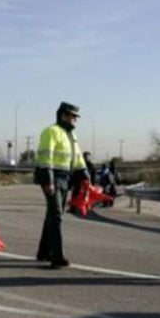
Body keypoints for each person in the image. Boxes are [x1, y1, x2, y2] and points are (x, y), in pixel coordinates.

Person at [34, 101, 89, 268]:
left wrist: (85, 175)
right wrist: (48, 180)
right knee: (56, 216)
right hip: (52, 178)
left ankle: (43, 252)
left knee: (53, 215)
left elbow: (78, 158)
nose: (75, 120)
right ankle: (56, 256)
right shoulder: (51, 131)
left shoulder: (71, 135)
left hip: (65, 179)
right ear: (63, 115)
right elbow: (45, 157)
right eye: (73, 116)